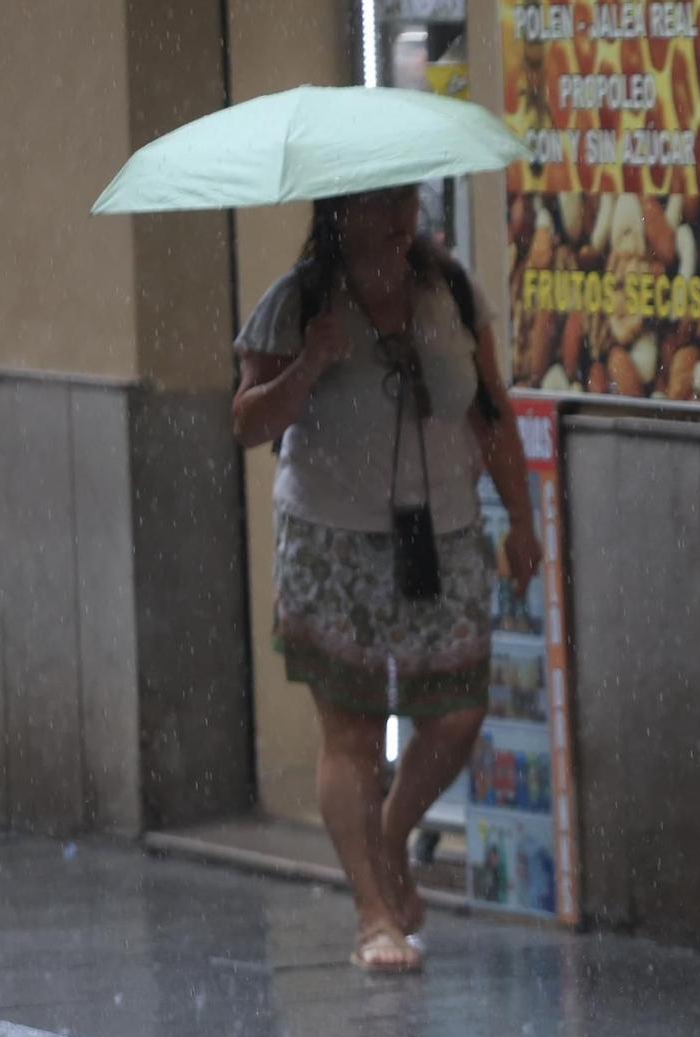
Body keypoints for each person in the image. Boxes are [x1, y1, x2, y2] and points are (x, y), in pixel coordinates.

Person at [232, 185, 541, 974]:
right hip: (333, 540)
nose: (402, 220)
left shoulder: (453, 292)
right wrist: (310, 362)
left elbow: (492, 413)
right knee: (354, 732)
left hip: (442, 532)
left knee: (459, 711)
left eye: (408, 203)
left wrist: (523, 519)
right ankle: (373, 914)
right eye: (381, 205)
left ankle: (393, 832)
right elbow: (247, 422)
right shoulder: (296, 301)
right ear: (341, 214)